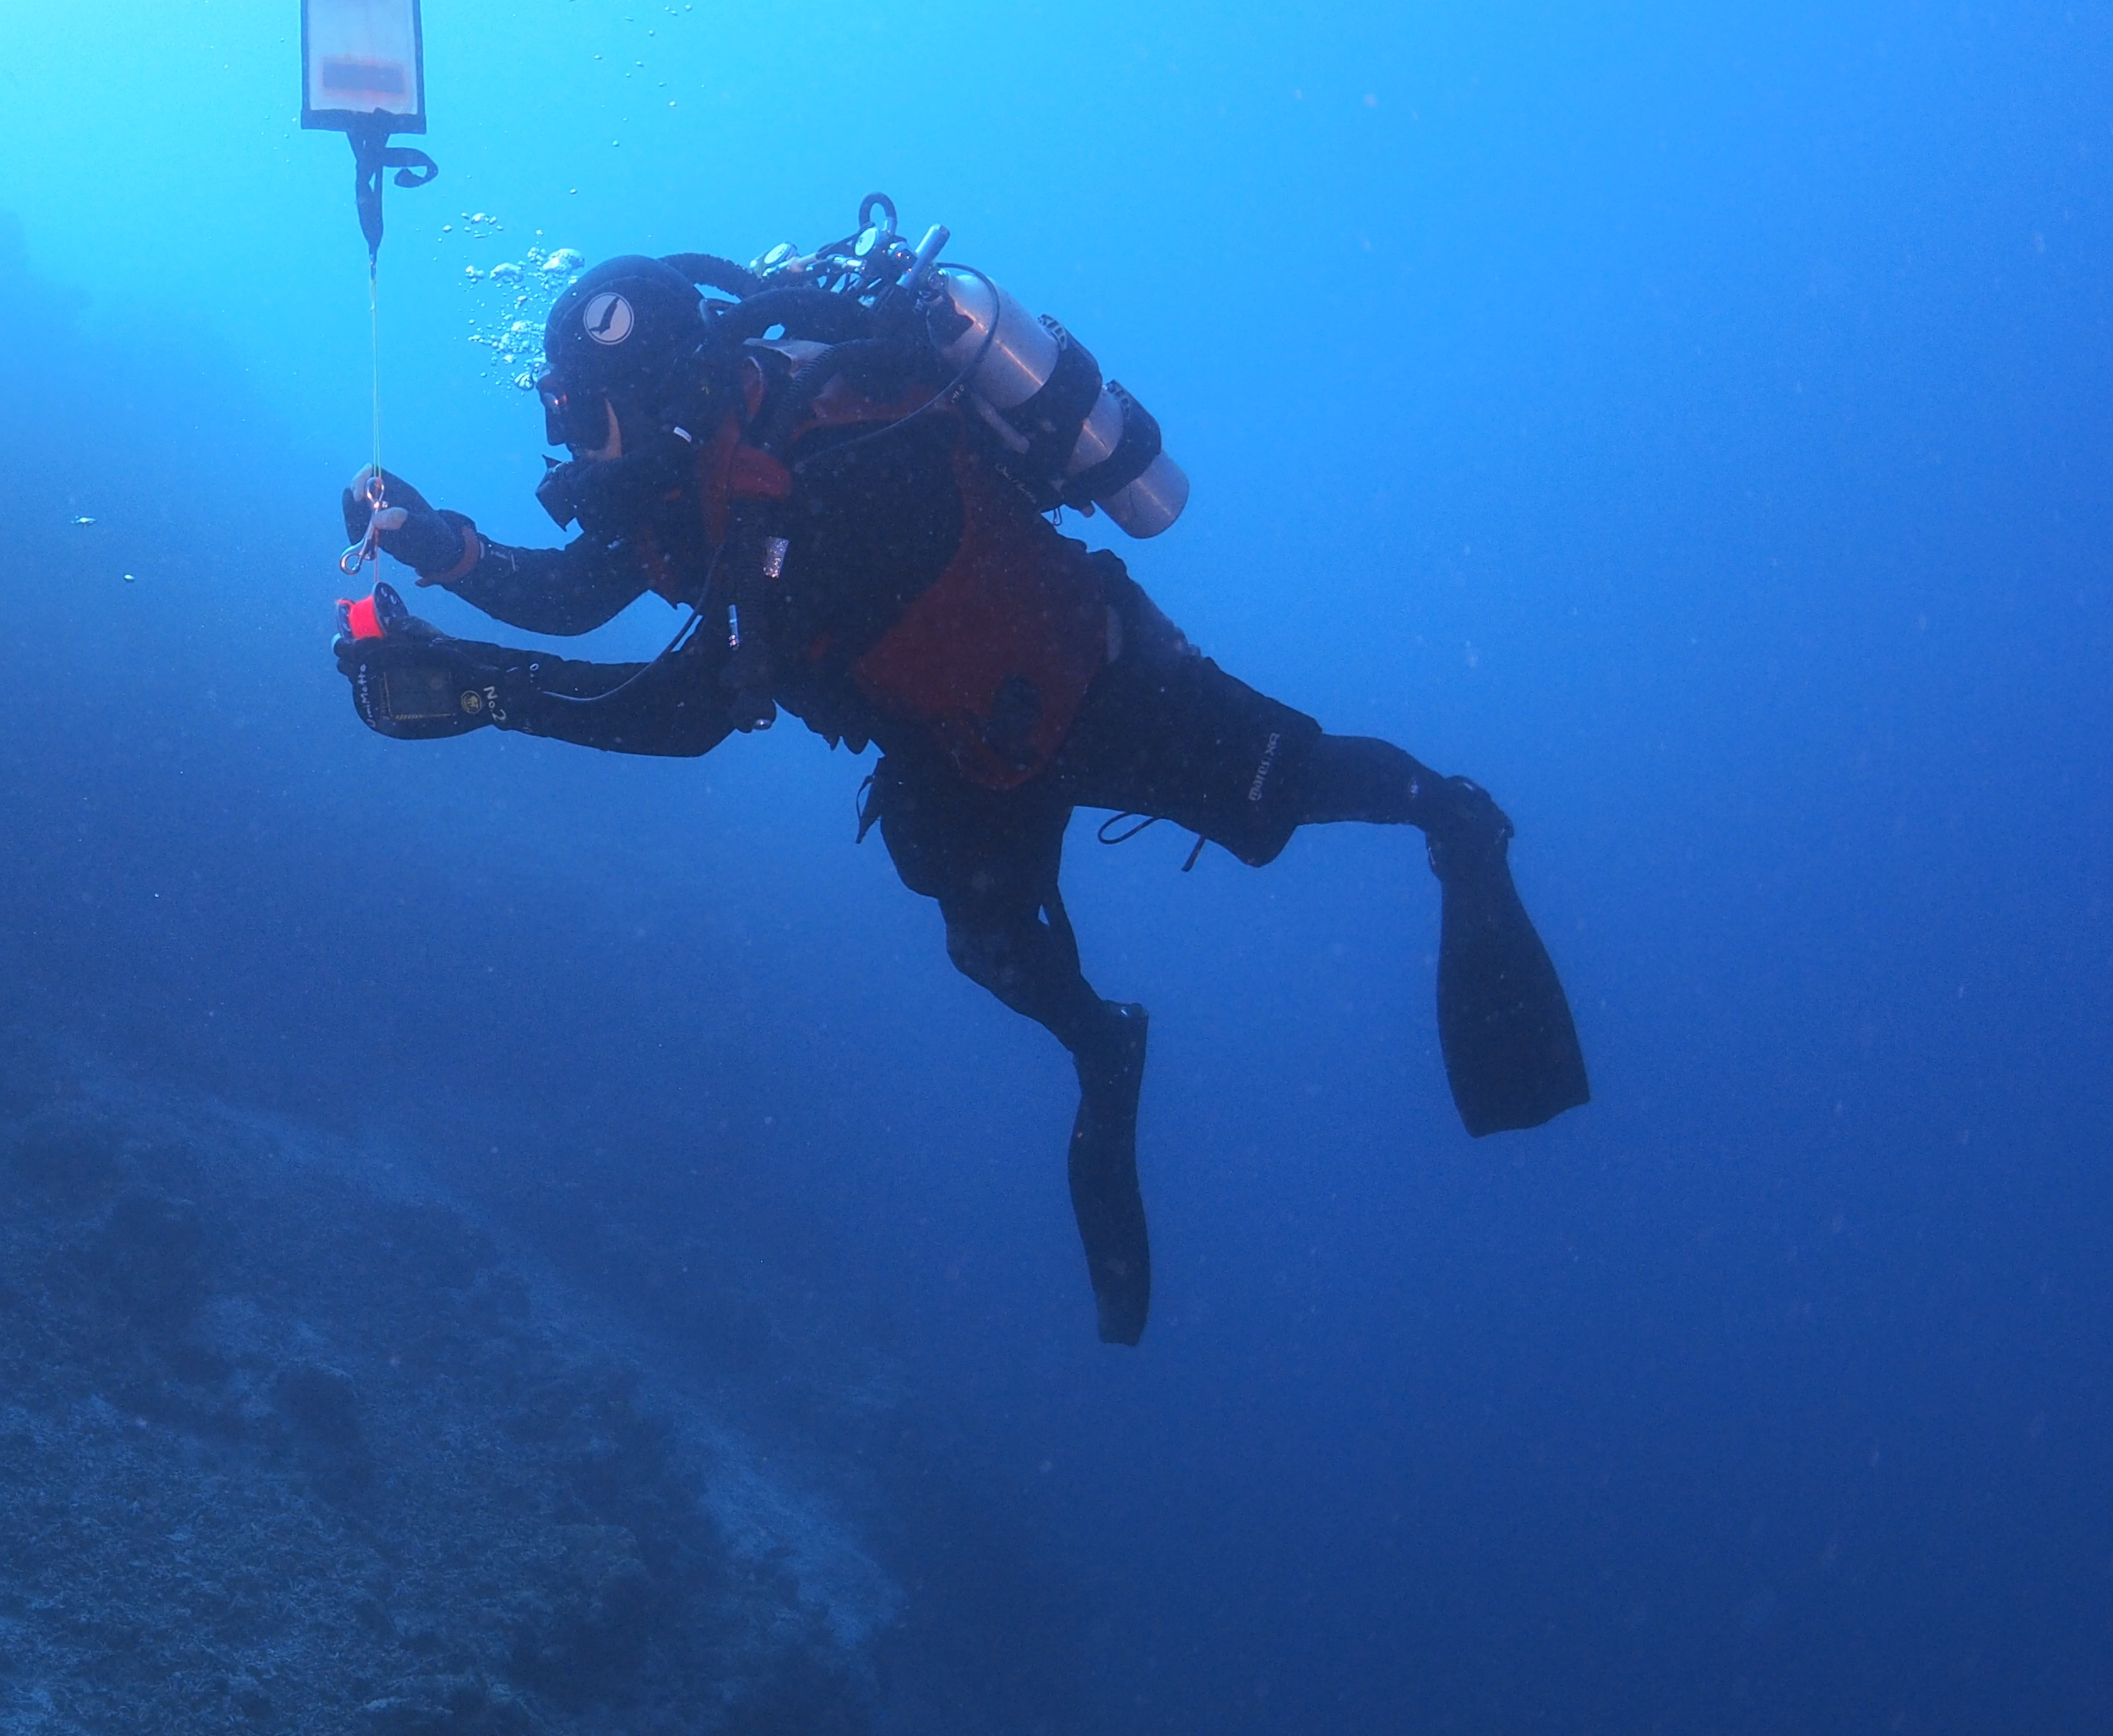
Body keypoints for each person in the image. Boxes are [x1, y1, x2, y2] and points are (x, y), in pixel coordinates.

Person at [331, 215, 1581, 1344]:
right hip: (949, 750)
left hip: (1095, 684)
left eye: (584, 418)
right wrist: (438, 544)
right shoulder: (679, 478)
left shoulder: (824, 472)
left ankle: (1455, 820)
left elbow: (683, 715)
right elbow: (577, 591)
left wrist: (476, 689)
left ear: (668, 398)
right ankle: (1103, 1046)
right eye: (559, 415)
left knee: (1300, 782)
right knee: (993, 952)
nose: (568, 448)